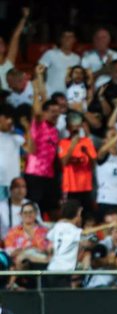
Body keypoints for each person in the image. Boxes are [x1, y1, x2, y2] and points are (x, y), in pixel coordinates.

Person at [45, 200, 113, 287]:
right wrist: (106, 226)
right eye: (80, 214)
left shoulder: (58, 227)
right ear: (77, 215)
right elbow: (85, 233)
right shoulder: (73, 230)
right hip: (63, 271)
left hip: (51, 269)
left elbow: (49, 240)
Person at [25, 65, 61, 217]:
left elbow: (47, 102)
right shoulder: (39, 124)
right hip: (35, 175)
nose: (55, 115)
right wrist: (38, 81)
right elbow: (39, 107)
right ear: (45, 113)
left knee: (53, 209)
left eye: (57, 112)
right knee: (35, 210)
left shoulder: (54, 129)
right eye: (52, 112)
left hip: (50, 175)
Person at [58, 112, 97, 214]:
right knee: (71, 215)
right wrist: (72, 146)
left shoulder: (87, 141)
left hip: (86, 187)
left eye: (77, 127)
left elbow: (93, 165)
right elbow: (63, 163)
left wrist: (87, 153)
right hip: (70, 188)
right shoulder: (63, 143)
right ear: (68, 128)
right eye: (72, 127)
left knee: (88, 217)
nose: (75, 130)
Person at [0, 105, 31, 201]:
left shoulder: (16, 137)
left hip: (13, 182)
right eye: (6, 118)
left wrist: (27, 129)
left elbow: (30, 149)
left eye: (11, 118)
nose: (10, 121)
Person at [38, 29, 80, 97]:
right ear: (61, 39)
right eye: (65, 36)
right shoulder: (50, 54)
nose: (67, 39)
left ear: (74, 39)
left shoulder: (77, 59)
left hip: (68, 97)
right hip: (50, 96)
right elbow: (38, 72)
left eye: (70, 37)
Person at [0, 7, 29, 90]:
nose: (1, 43)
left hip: (12, 98)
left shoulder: (9, 61)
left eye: (2, 41)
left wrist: (24, 17)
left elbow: (16, 36)